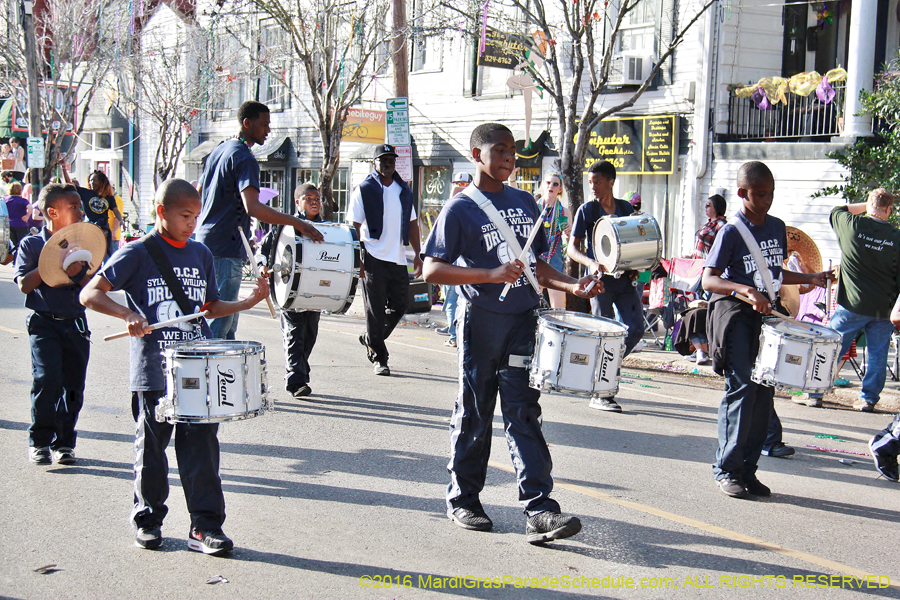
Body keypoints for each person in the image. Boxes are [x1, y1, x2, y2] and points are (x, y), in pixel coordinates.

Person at [422, 122, 601, 544]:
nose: (508, 157)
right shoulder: (460, 208)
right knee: (476, 410)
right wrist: (489, 273)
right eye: (498, 149)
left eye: (512, 152)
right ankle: (464, 498)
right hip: (481, 320)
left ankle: (540, 509)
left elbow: (536, 266)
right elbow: (431, 269)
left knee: (524, 411)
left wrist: (573, 285)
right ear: (475, 154)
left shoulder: (525, 202)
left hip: (523, 321)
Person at [80, 179, 269, 554]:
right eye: (185, 215)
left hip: (196, 370)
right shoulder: (137, 252)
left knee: (202, 451)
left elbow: (209, 307)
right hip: (153, 371)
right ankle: (148, 521)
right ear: (161, 212)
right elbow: (90, 293)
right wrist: (127, 314)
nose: (192, 224)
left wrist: (248, 302)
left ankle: (204, 527)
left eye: (196, 216)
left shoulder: (200, 254)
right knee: (151, 450)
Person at [702, 161, 828, 499]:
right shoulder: (731, 231)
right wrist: (744, 291)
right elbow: (709, 279)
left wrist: (809, 279)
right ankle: (726, 470)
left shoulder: (776, 226)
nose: (766, 201)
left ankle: (748, 470)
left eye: (770, 194)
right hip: (736, 315)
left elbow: (773, 272)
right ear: (743, 193)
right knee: (740, 389)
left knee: (763, 393)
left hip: (767, 316)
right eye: (759, 195)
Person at [196, 100, 322, 340]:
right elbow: (252, 207)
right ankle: (210, 374)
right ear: (247, 123)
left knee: (227, 321)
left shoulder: (219, 150)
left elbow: (198, 192)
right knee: (220, 324)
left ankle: (226, 375)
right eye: (264, 124)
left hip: (206, 242)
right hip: (225, 246)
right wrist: (297, 222)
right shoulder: (244, 158)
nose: (268, 130)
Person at [14, 183, 93, 465]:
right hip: (44, 323)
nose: (80, 210)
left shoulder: (86, 244)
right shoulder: (31, 244)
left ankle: (65, 443)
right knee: (47, 380)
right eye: (73, 207)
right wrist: (52, 260)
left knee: (73, 386)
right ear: (52, 212)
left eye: (80, 206)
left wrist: (78, 271)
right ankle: (40, 441)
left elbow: (95, 286)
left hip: (76, 324)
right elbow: (25, 284)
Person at [567, 160, 642, 412]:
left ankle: (605, 368)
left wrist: (634, 266)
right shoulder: (586, 210)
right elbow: (572, 249)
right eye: (590, 183)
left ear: (611, 182)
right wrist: (591, 262)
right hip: (599, 283)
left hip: (623, 280)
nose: (593, 187)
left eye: (598, 182)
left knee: (636, 329)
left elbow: (632, 243)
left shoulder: (625, 208)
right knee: (606, 334)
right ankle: (601, 393)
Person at [348, 144, 422, 376]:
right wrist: (355, 258)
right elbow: (354, 226)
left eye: (391, 160)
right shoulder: (364, 189)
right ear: (374, 164)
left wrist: (419, 255)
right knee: (375, 311)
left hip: (398, 258)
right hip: (373, 257)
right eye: (383, 160)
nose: (388, 164)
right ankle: (379, 358)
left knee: (401, 305)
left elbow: (412, 224)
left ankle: (371, 337)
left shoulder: (404, 190)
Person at [826, 188, 900, 412]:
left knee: (831, 348)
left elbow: (837, 209)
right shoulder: (897, 237)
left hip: (852, 304)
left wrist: (866, 206)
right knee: (878, 354)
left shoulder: (851, 225)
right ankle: (868, 398)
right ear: (889, 210)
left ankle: (814, 392)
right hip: (883, 307)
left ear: (868, 206)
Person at [260, 183, 324, 398]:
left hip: (314, 289)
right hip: (289, 288)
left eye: (317, 198)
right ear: (298, 202)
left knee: (310, 334)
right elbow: (264, 249)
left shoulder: (326, 229)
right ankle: (295, 380)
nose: (314, 201)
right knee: (295, 333)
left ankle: (299, 372)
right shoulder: (285, 226)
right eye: (308, 198)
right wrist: (263, 266)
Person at [64, 170, 124, 260]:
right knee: (90, 253)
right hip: (90, 226)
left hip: (103, 228)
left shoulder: (109, 197)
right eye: (90, 180)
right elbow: (70, 184)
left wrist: (121, 221)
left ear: (101, 182)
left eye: (94, 180)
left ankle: (107, 272)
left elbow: (115, 210)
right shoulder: (86, 193)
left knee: (106, 255)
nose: (91, 182)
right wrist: (64, 168)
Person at [537, 172, 571, 309]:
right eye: (548, 183)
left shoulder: (564, 212)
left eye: (555, 184)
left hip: (555, 260)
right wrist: (512, 178)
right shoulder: (534, 206)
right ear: (543, 185)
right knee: (532, 306)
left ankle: (557, 330)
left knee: (558, 309)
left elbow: (570, 243)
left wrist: (568, 234)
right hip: (536, 260)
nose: (551, 186)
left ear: (560, 189)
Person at [693, 194, 727, 258]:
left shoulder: (722, 226)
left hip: (709, 265)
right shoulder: (708, 224)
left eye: (708, 205)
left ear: (717, 206)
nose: (705, 207)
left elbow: (723, 250)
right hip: (698, 264)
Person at [5, 182, 31, 249]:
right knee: (22, 244)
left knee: (12, 244)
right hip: (21, 224)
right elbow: (30, 207)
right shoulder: (22, 200)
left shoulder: (5, 199)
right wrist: (27, 216)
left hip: (8, 225)